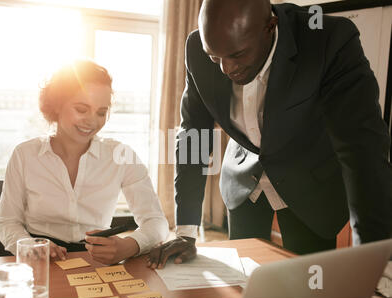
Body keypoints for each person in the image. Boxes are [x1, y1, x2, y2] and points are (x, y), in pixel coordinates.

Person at [147, 0, 392, 269]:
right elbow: (194, 134)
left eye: (237, 55)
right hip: (242, 180)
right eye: (215, 58)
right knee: (242, 276)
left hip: (310, 185)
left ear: (270, 27)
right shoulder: (198, 48)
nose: (226, 69)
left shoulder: (328, 40)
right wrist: (186, 230)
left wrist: (370, 255)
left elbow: (361, 147)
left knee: (309, 284)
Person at [0, 59, 169, 265]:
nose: (92, 121)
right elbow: (7, 223)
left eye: (101, 112)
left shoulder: (122, 155)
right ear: (57, 106)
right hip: (41, 260)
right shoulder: (24, 154)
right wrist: (28, 245)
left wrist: (129, 245)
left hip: (98, 261)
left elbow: (156, 222)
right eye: (81, 109)